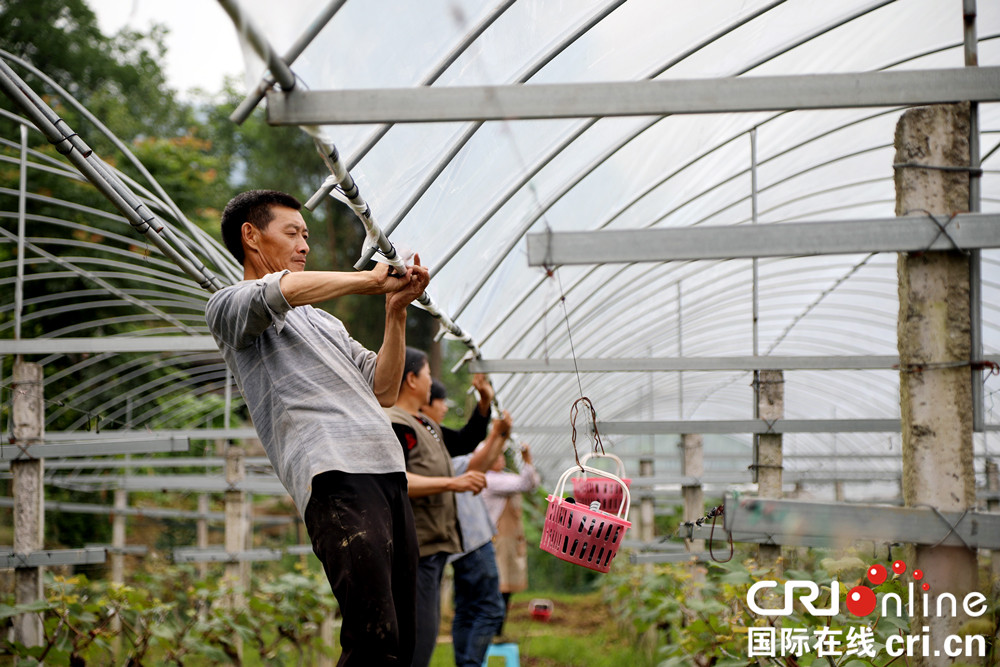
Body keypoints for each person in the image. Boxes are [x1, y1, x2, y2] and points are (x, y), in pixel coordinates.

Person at [204, 189, 429, 667]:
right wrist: (367, 282)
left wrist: (396, 312)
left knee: (403, 639)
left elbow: (383, 389)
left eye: (306, 235)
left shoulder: (323, 323)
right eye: (292, 233)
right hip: (335, 475)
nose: (305, 245)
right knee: (375, 635)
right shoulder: (228, 306)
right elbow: (278, 291)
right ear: (251, 236)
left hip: (388, 473)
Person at [385, 350, 509, 667]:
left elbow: (466, 442)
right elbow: (395, 482)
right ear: (412, 380)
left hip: (436, 546)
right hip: (418, 549)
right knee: (418, 643)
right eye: (427, 375)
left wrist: (484, 405)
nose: (431, 382)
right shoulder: (396, 425)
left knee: (422, 638)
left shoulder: (425, 424)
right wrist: (452, 484)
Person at [423, 378, 510, 667]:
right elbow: (477, 460)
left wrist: (499, 434)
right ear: (425, 400)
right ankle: (470, 664)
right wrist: (498, 435)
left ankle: (465, 662)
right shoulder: (434, 446)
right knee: (490, 609)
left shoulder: (433, 442)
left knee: (467, 609)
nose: (445, 409)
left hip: (459, 546)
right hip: (472, 541)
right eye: (441, 402)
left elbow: (476, 453)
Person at [482, 443, 541, 635]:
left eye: (501, 456)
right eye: (495, 456)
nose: (501, 459)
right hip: (498, 540)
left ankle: (497, 629)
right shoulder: (489, 480)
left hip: (510, 540)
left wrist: (527, 463)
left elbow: (533, 483)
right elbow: (524, 483)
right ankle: (492, 629)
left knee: (505, 587)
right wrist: (528, 461)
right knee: (498, 586)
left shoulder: (504, 478)